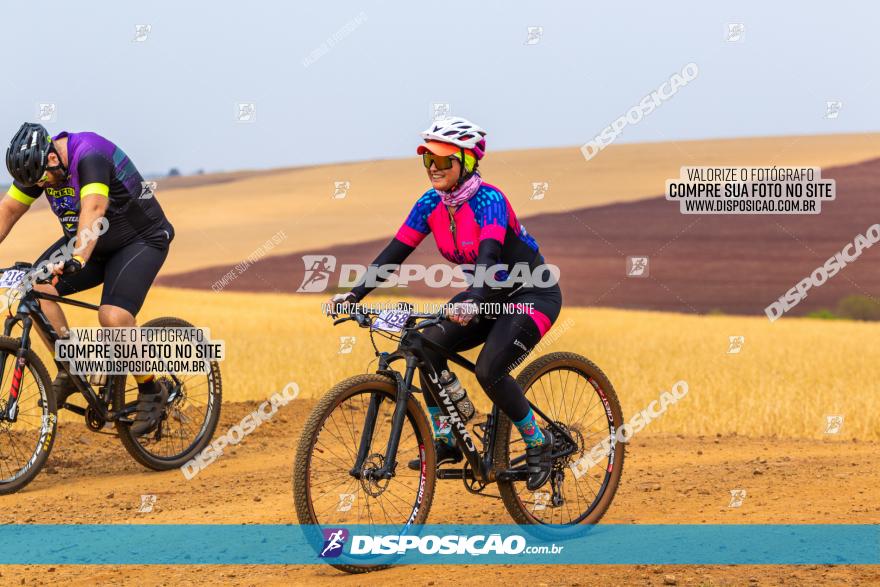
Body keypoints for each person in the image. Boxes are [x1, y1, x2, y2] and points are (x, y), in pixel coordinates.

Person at [328, 117, 562, 490]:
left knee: (489, 370)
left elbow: (487, 260)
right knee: (422, 343)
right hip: (483, 297)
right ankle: (447, 437)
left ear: (467, 161)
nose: (433, 169)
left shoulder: (491, 202)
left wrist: (472, 301)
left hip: (531, 295)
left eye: (442, 161)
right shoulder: (429, 205)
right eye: (428, 161)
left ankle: (539, 440)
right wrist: (354, 295)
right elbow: (394, 254)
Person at [2, 123, 175, 435]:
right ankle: (71, 366)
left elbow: (94, 209)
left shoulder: (90, 154)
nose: (40, 187)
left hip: (139, 240)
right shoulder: (37, 166)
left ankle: (152, 391)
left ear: (53, 159)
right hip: (90, 244)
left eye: (42, 180)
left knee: (112, 316)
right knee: (36, 287)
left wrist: (78, 258)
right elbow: (8, 211)